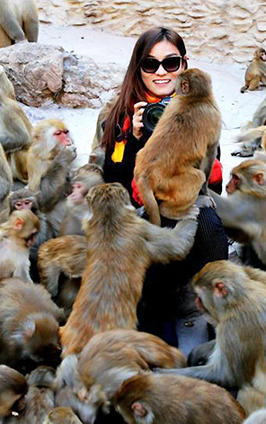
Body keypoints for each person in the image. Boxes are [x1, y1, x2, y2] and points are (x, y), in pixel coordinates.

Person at [97, 27, 229, 355]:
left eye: (170, 63)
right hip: (142, 220)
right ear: (137, 67)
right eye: (149, 63)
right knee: (139, 235)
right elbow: (111, 187)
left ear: (184, 65)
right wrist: (135, 142)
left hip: (183, 210)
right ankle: (158, 338)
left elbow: (213, 185)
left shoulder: (201, 111)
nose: (160, 72)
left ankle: (219, 330)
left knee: (210, 224)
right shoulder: (118, 114)